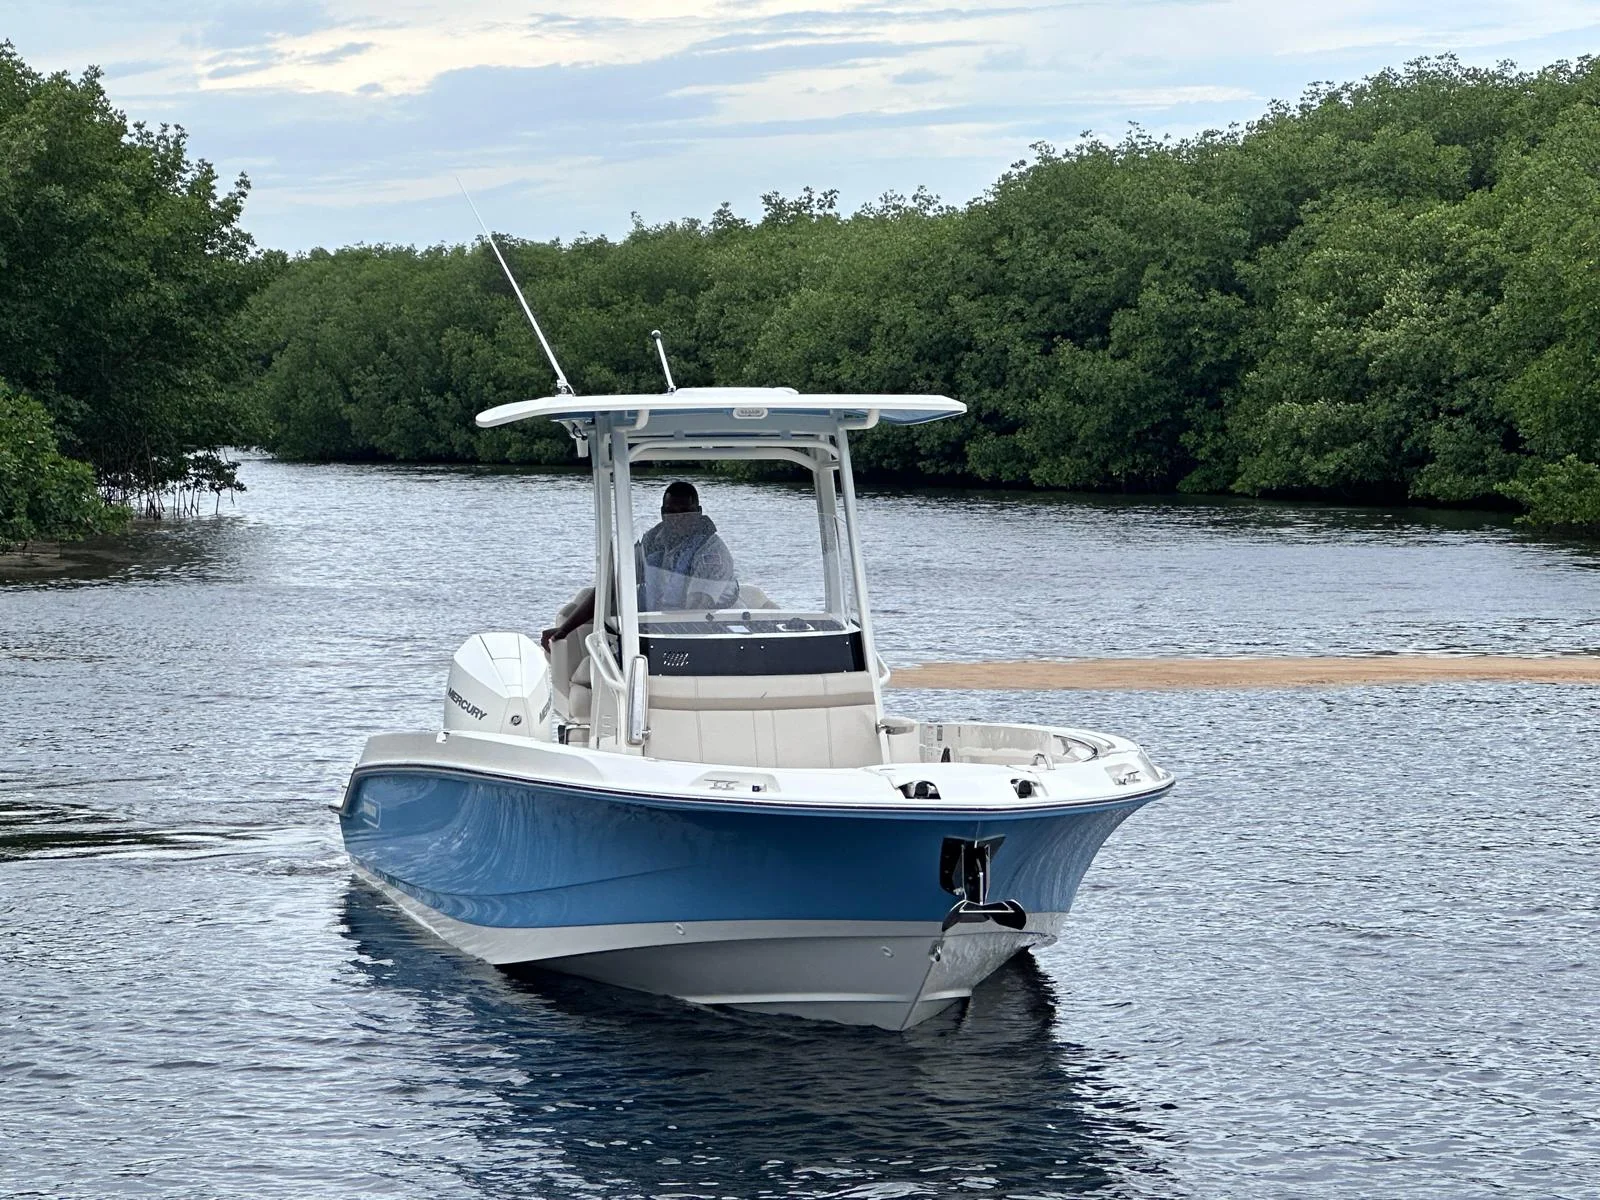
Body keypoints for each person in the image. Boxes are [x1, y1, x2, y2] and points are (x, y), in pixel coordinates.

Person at [540, 481, 739, 651]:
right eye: (671, 513)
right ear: (662, 513)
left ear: (698, 512)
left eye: (685, 513)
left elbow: (696, 610)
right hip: (659, 623)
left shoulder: (712, 554)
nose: (678, 519)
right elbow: (614, 585)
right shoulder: (653, 540)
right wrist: (564, 630)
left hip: (707, 631)